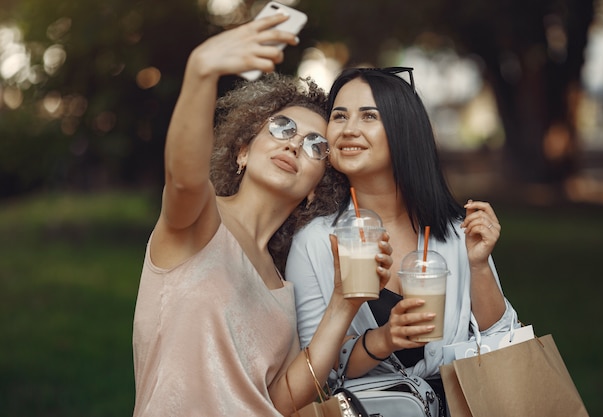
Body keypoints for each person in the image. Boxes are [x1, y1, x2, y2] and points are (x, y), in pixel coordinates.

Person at [131, 17, 393, 417]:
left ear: (315, 189)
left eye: (315, 145)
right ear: (242, 151)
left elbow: (283, 399)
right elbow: (183, 180)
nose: (293, 145)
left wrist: (344, 302)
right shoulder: (201, 221)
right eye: (283, 127)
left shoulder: (280, 282)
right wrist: (202, 71)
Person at [285, 67, 519, 412]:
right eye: (339, 116)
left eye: (369, 116)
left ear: (403, 130)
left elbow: (502, 342)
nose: (349, 129)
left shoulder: (455, 232)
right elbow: (317, 374)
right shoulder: (316, 242)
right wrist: (384, 340)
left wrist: (479, 265)